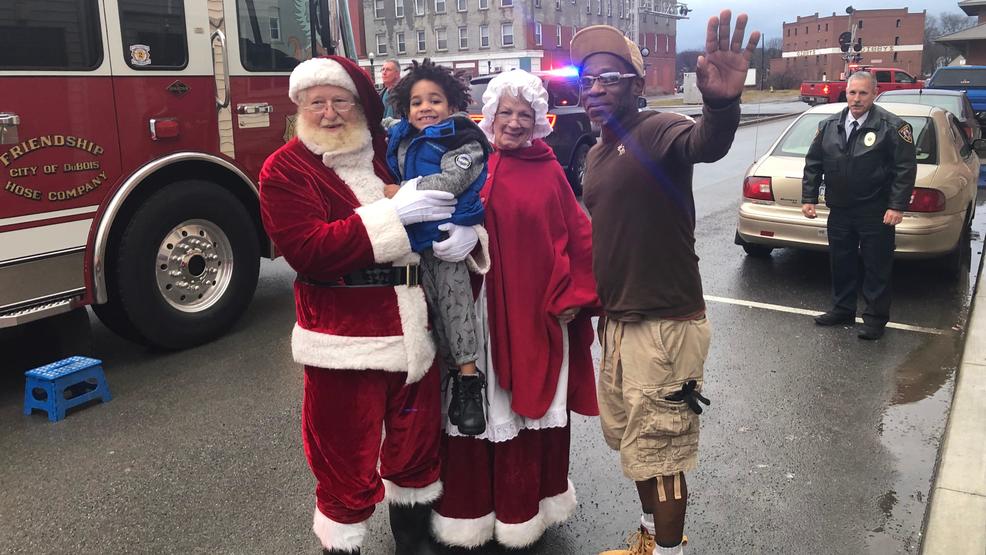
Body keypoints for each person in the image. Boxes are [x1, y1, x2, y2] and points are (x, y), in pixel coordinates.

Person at [258, 55, 481, 555]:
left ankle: (412, 541)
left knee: (416, 450)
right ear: (299, 109)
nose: (330, 113)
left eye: (340, 101)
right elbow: (309, 250)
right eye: (317, 103)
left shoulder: (385, 153)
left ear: (360, 107)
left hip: (412, 332)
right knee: (344, 459)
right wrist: (391, 213)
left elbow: (450, 198)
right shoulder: (285, 169)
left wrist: (470, 233)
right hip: (344, 341)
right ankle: (343, 545)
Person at [570, 15, 759, 555]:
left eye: (609, 77)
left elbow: (706, 142)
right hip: (620, 321)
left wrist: (720, 104)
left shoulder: (655, 129)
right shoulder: (598, 150)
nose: (596, 88)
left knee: (664, 450)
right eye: (587, 80)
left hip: (665, 325)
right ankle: (651, 541)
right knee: (637, 443)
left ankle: (670, 551)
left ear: (638, 85)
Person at [430, 69, 600, 549]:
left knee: (518, 409)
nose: (514, 122)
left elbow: (579, 235)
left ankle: (524, 509)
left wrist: (574, 297)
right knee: (470, 406)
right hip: (475, 317)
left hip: (529, 314)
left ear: (539, 121)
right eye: (505, 112)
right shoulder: (469, 163)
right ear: (489, 115)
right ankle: (470, 511)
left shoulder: (548, 171)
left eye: (524, 114)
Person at [384, 58, 492, 435]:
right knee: (425, 315)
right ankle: (445, 381)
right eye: (416, 102)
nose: (425, 108)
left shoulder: (461, 138)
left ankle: (468, 380)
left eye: (435, 100)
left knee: (454, 301)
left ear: (452, 106)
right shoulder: (400, 137)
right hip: (411, 240)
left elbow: (452, 180)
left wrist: (403, 194)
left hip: (446, 232)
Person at [802, 71, 917, 340]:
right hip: (840, 209)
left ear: (874, 94)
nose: (856, 99)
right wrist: (808, 198)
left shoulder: (892, 127)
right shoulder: (830, 125)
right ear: (846, 93)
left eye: (863, 93)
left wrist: (896, 206)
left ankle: (875, 318)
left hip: (875, 211)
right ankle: (842, 308)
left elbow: (905, 169)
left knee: (877, 266)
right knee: (841, 262)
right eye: (852, 93)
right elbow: (813, 163)